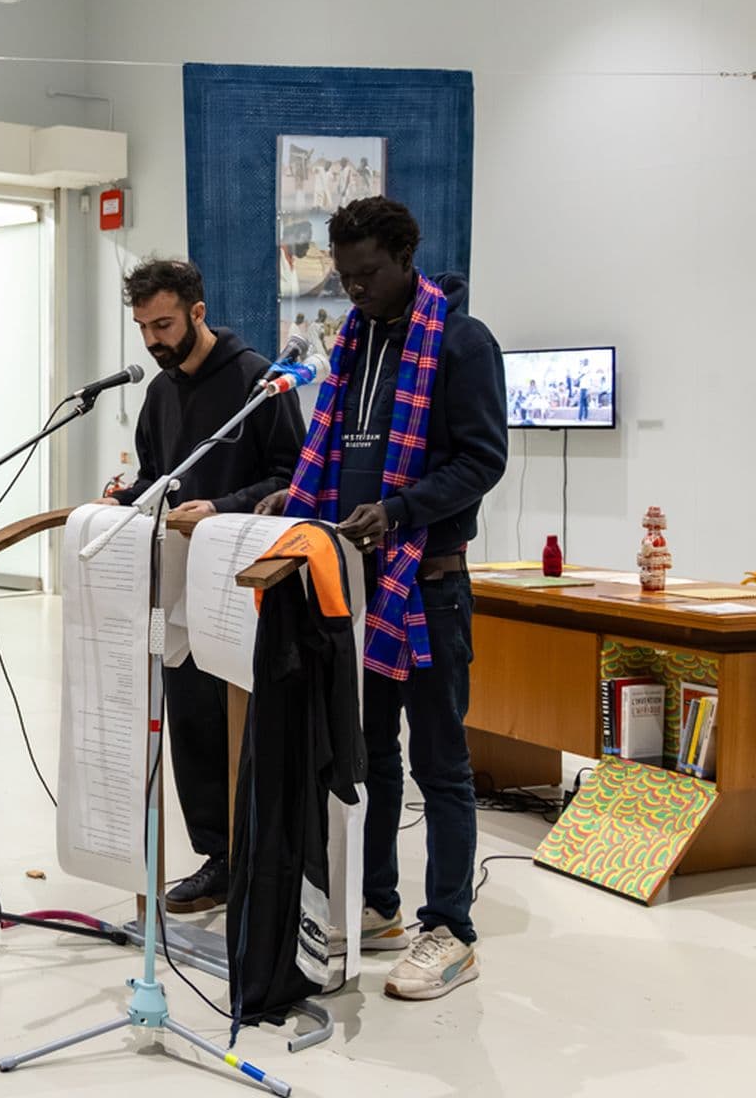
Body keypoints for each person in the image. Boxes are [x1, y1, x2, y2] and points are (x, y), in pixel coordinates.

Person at [256, 196, 507, 1001]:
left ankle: (452, 930)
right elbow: (334, 452)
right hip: (356, 588)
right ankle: (380, 904)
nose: (354, 289)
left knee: (442, 765)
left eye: (368, 274)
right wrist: (294, 503)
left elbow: (482, 460)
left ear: (407, 258)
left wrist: (399, 512)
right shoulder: (355, 344)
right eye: (346, 274)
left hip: (429, 588)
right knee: (370, 758)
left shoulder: (462, 344)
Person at [101, 257, 304, 915]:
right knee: (188, 721)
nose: (154, 340)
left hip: (248, 588)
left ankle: (260, 858)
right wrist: (123, 494)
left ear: (197, 311)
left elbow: (291, 479)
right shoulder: (160, 390)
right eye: (142, 328)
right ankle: (218, 855)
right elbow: (159, 474)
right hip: (176, 584)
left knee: (244, 728)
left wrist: (222, 507)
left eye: (163, 324)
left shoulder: (260, 383)